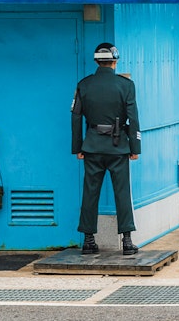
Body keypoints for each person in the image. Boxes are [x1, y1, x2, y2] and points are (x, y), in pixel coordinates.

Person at [71, 42, 141, 256]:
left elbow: (75, 117)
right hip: (118, 146)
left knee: (90, 193)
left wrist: (78, 148)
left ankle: (89, 240)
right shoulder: (126, 85)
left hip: (92, 145)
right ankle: (127, 240)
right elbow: (133, 118)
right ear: (115, 61)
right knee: (122, 193)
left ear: (96, 61)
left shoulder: (84, 85)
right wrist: (134, 147)